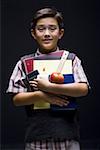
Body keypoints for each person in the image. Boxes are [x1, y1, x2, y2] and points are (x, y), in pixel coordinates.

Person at [7, 7, 90, 150]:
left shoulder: (71, 59)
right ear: (33, 33)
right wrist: (41, 95)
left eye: (52, 29)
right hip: (37, 137)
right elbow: (16, 99)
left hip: (68, 136)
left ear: (60, 33)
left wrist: (48, 87)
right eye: (41, 29)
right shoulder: (25, 63)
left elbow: (83, 89)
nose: (47, 34)